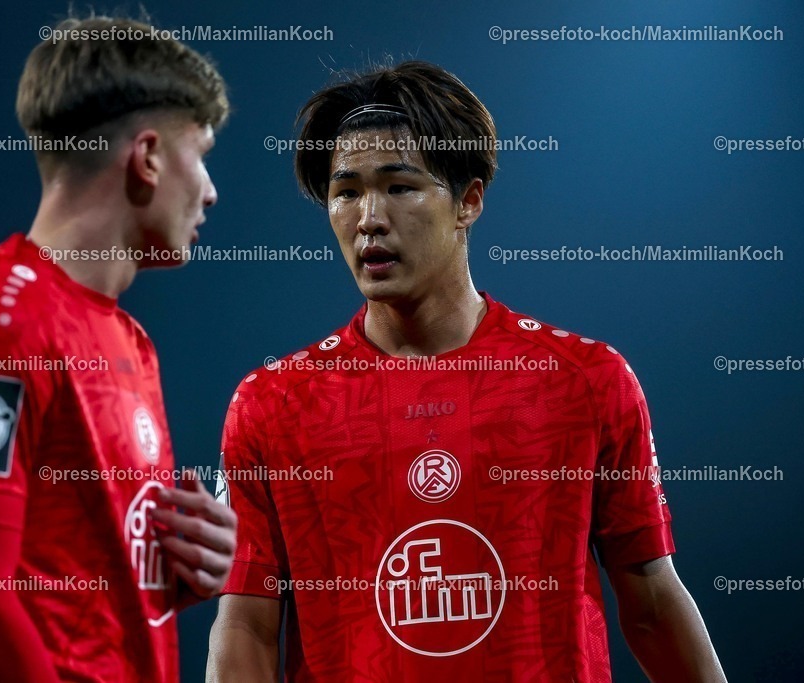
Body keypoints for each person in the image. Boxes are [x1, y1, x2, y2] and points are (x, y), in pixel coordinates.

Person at [208, 61, 726, 681]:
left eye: (400, 186)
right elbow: (246, 625)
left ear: (469, 200)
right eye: (346, 193)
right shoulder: (273, 403)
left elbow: (650, 603)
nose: (369, 217)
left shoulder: (585, 379)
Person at [0, 16, 236, 682]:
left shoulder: (128, 340)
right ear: (149, 157)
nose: (212, 192)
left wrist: (184, 568)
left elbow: (66, 578)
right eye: (204, 154)